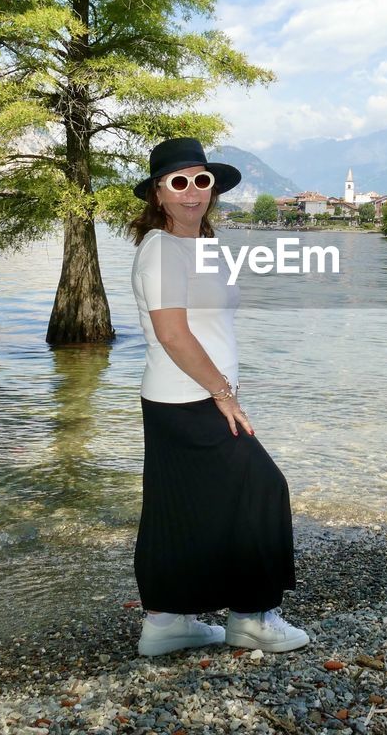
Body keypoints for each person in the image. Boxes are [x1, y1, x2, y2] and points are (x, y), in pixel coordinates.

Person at [127, 137, 309, 657]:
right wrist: (222, 392)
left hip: (183, 396)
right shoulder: (161, 249)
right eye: (177, 183)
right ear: (158, 195)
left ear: (212, 188)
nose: (191, 193)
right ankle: (251, 617)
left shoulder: (196, 246)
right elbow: (173, 334)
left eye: (200, 181)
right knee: (262, 488)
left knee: (180, 507)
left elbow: (207, 327)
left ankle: (167, 625)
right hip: (190, 399)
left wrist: (222, 385)